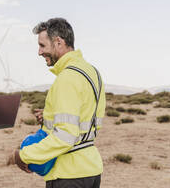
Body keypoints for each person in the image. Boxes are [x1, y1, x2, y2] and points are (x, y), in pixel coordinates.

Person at [8, 18, 106, 188]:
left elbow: (65, 136)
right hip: (90, 170)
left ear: (58, 42)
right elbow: (84, 117)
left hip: (69, 174)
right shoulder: (91, 72)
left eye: (42, 45)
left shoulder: (67, 78)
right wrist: (49, 117)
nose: (39, 52)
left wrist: (23, 155)